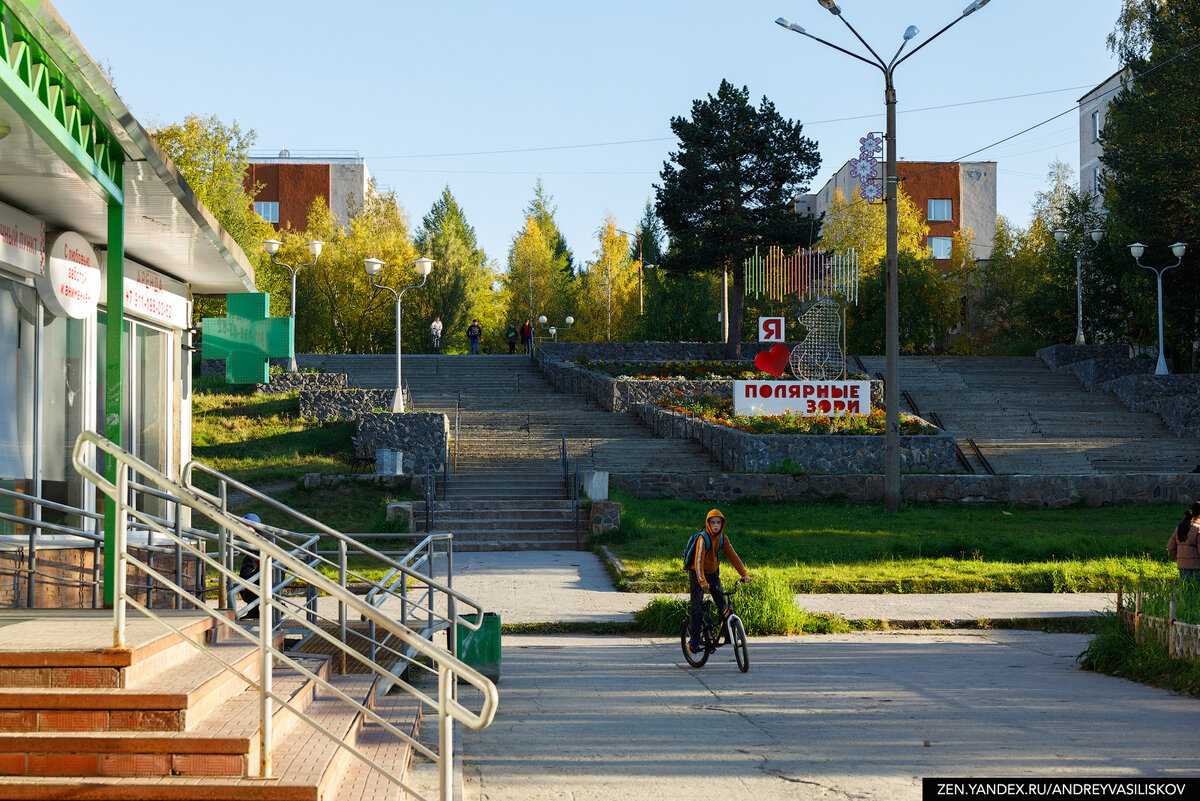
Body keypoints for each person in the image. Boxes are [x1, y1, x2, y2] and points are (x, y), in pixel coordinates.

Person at [687, 509, 751, 654]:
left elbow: (733, 556)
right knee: (696, 608)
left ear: (722, 524)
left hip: (713, 574)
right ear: (708, 523)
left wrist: (744, 574)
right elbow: (698, 562)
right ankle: (694, 642)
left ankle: (729, 636)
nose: (716, 525)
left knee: (723, 604)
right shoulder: (703, 539)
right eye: (713, 522)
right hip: (697, 574)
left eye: (718, 522)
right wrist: (702, 581)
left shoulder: (722, 538)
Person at [1168, 500, 1200, 582]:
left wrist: (1182, 559)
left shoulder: (1180, 527)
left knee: (1185, 593)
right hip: (1197, 570)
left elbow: (1170, 547)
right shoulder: (1198, 528)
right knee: (1196, 593)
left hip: (1182, 569)